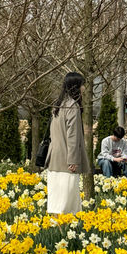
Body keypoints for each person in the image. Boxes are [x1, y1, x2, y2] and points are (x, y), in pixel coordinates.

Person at [45, 72, 90, 214]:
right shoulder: (72, 106)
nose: (84, 88)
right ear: (76, 86)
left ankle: (56, 227)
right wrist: (73, 160)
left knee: (56, 199)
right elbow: (73, 136)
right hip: (67, 161)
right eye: (82, 84)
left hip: (54, 158)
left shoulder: (58, 106)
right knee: (67, 201)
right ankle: (64, 230)